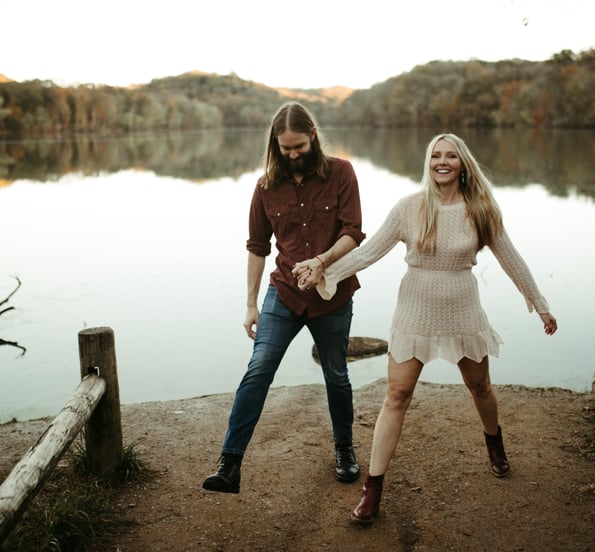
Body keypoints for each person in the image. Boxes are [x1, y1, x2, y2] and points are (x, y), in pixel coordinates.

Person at [293, 133, 557, 524]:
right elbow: (369, 252)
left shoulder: (481, 209)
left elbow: (511, 258)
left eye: (451, 156)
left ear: (463, 163)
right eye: (436, 155)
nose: (442, 162)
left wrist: (540, 304)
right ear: (428, 162)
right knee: (396, 395)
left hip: (463, 310)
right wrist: (324, 270)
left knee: (480, 386)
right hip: (414, 311)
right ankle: (372, 489)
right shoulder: (409, 208)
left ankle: (494, 442)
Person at [202, 101, 366, 494]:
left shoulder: (342, 173)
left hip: (332, 293)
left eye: (299, 146)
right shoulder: (265, 187)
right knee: (258, 368)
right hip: (284, 294)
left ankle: (344, 448)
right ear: (275, 144)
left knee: (336, 376)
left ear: (313, 135)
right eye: (285, 148)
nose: (292, 155)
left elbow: (353, 232)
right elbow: (257, 247)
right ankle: (230, 463)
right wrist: (250, 304)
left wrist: (322, 261)